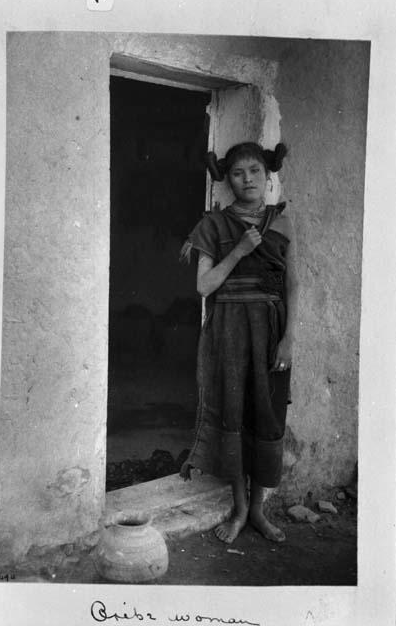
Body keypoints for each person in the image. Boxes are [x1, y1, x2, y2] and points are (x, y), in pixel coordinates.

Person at [179, 142, 299, 544]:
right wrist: (240, 251)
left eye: (255, 172)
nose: (247, 179)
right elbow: (203, 286)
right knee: (233, 412)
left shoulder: (282, 223)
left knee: (265, 414)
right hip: (228, 329)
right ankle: (240, 510)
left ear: (268, 177)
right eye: (238, 173)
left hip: (269, 330)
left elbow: (292, 284)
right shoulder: (212, 226)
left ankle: (260, 511)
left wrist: (289, 338)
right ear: (226, 179)